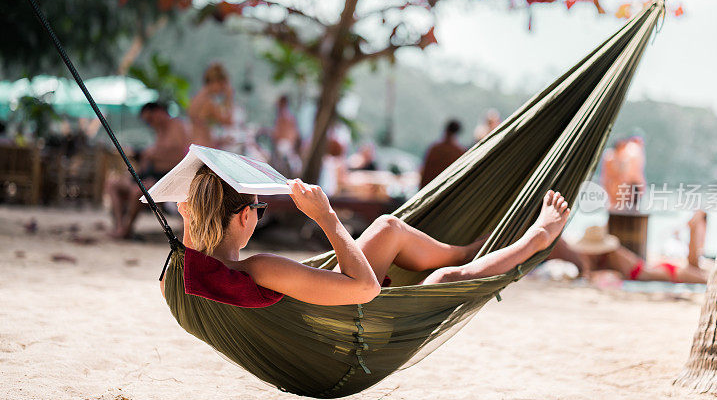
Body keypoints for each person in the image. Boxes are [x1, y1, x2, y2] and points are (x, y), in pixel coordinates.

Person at [166, 168, 571, 305]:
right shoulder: (258, 268)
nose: (258, 215)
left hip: (324, 305)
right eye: (259, 208)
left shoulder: (193, 270)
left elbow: (186, 252)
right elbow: (364, 289)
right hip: (346, 331)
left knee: (389, 228)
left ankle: (464, 249)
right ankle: (533, 241)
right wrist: (327, 219)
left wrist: (187, 221)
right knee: (441, 283)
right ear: (242, 217)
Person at [105, 102, 190, 239]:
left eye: (150, 119)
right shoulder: (159, 130)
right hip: (149, 174)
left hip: (166, 178)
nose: (150, 124)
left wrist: (152, 154)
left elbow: (178, 155)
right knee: (113, 183)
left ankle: (126, 229)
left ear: (159, 112)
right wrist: (146, 157)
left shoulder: (176, 125)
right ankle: (120, 226)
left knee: (138, 191)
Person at [568, 212, 708, 284]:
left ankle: (694, 226)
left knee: (708, 280)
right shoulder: (608, 254)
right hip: (662, 269)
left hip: (668, 273)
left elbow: (616, 276)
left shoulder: (612, 254)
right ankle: (694, 226)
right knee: (696, 268)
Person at [188, 62, 234, 147]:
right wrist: (229, 98)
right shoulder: (208, 102)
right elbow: (228, 121)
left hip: (195, 146)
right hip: (202, 149)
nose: (223, 89)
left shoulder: (196, 99)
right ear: (215, 82)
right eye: (222, 85)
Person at [419, 119, 465, 188]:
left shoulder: (434, 148)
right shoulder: (459, 152)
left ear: (446, 130)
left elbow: (424, 173)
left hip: (428, 189)